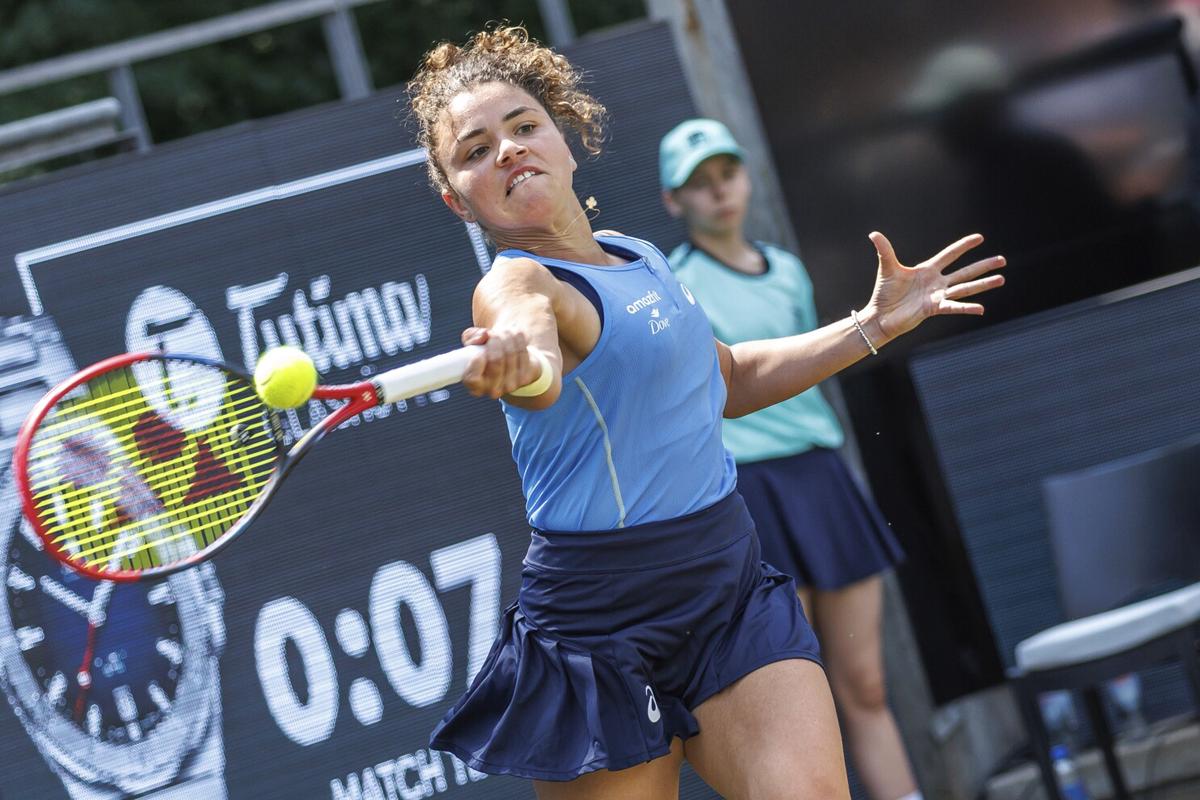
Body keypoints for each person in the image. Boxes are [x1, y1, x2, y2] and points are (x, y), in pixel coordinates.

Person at [407, 24, 1004, 800]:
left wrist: (872, 325)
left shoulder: (640, 257)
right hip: (597, 627)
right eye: (477, 149)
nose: (509, 150)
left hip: (726, 586)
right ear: (457, 200)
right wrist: (520, 362)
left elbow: (727, 378)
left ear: (566, 139)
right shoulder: (516, 285)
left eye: (524, 126)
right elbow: (535, 357)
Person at [659, 118, 920, 800]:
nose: (720, 193)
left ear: (746, 179)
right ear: (673, 201)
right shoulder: (671, 288)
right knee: (795, 699)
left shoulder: (788, 272)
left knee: (866, 685)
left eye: (728, 175)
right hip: (749, 493)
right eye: (700, 184)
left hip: (821, 480)